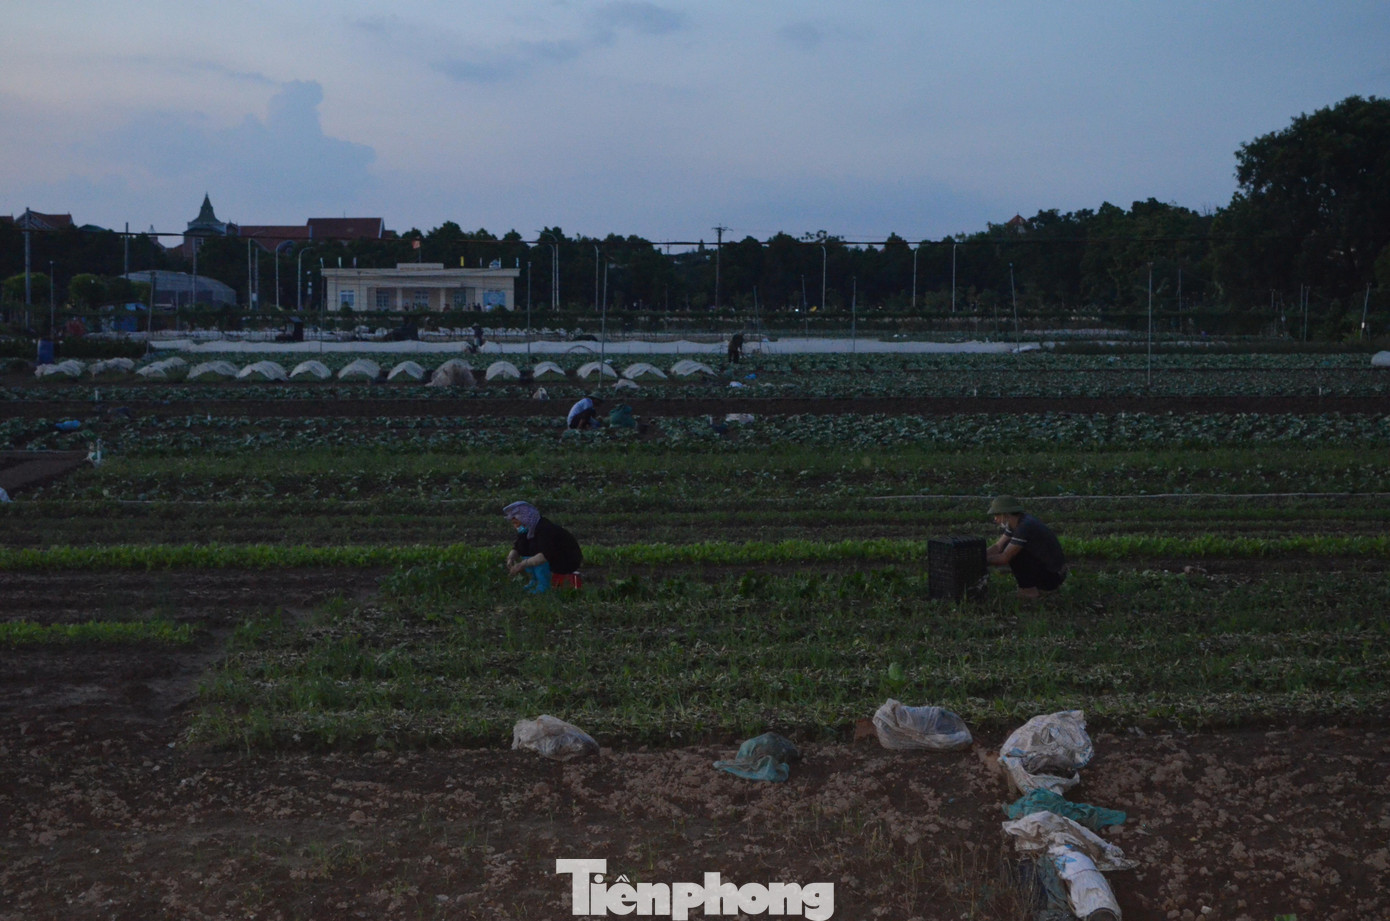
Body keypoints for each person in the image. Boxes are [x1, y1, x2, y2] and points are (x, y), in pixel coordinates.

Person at [985, 495, 1067, 598]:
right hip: (1049, 569)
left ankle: (1029, 590)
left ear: (1006, 515)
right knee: (1009, 545)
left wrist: (983, 560)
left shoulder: (1024, 527)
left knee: (1016, 553)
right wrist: (980, 555)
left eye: (997, 515)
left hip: (1053, 575)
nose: (995, 519)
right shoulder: (1015, 523)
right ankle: (1031, 588)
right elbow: (998, 546)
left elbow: (1004, 558)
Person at [503, 500, 583, 592]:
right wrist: (511, 558)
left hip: (566, 560)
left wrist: (521, 565)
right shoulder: (528, 530)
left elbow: (544, 556)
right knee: (526, 549)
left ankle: (544, 585)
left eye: (516, 523)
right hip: (549, 559)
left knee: (537, 558)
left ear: (525, 519)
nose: (515, 527)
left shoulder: (545, 530)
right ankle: (534, 581)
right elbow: (518, 546)